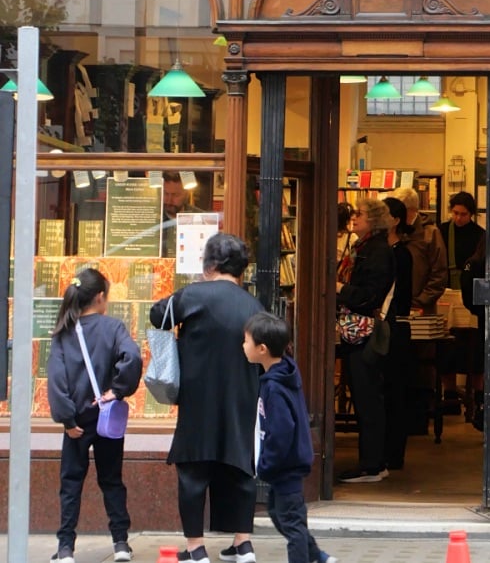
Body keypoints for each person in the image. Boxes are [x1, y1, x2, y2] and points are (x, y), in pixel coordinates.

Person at [149, 232, 263, 563]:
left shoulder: (193, 295)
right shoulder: (254, 305)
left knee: (193, 470)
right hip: (241, 395)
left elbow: (158, 315)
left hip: (198, 397)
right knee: (240, 467)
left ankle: (196, 548)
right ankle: (243, 544)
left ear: (210, 264)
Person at [46, 267, 142, 563]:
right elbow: (132, 356)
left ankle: (65, 548)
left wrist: (67, 419)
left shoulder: (64, 331)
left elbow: (57, 379)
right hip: (106, 419)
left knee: (71, 483)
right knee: (111, 479)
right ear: (100, 297)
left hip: (77, 422)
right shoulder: (113, 328)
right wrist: (118, 390)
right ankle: (121, 543)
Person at [242, 312, 333, 563]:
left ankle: (312, 557)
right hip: (284, 465)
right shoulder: (281, 374)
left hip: (286, 466)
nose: (243, 345)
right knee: (280, 514)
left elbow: (281, 431)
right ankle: (318, 556)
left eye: (246, 341)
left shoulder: (275, 385)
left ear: (262, 349)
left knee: (292, 523)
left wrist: (267, 463)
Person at [336, 196, 395, 483]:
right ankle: (372, 461)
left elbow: (370, 295)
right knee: (363, 396)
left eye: (359, 213)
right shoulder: (361, 247)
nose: (354, 217)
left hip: (364, 333)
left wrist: (340, 289)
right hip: (356, 332)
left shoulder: (377, 251)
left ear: (373, 219)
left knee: (367, 397)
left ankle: (372, 464)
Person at [438, 191, 486, 426]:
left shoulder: (480, 235)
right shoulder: (441, 231)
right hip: (446, 293)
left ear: (471, 214)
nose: (458, 218)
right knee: (447, 346)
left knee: (475, 349)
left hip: (472, 297)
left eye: (463, 214)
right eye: (455, 213)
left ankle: (478, 396)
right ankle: (449, 394)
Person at [381, 196, 413, 470]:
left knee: (394, 390)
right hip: (387, 324)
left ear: (396, 220)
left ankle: (393, 453)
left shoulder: (401, 254)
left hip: (394, 325)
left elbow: (401, 294)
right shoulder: (381, 250)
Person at [390, 185, 447, 313]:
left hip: (421, 310)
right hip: (394, 305)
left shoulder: (430, 234)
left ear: (412, 210)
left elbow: (439, 274)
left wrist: (419, 301)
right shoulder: (393, 232)